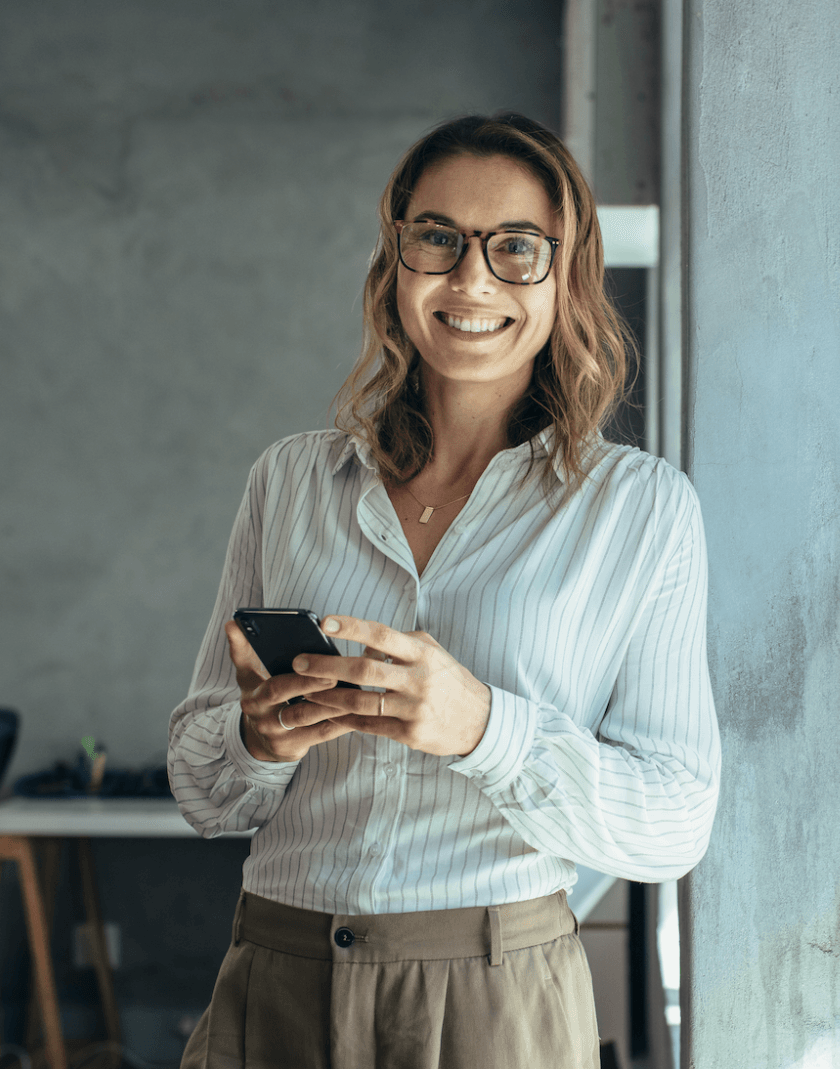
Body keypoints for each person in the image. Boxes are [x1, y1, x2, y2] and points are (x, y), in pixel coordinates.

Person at [168, 112, 720, 1068]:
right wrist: (258, 738)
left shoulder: (642, 508)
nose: (470, 280)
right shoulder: (291, 481)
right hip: (278, 972)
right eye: (438, 238)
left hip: (495, 999)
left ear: (565, 276)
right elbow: (202, 789)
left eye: (516, 248)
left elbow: (674, 822)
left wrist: (481, 727)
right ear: (396, 263)